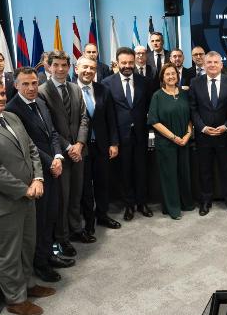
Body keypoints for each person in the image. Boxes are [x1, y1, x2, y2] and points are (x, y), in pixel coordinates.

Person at [0, 76, 54, 315]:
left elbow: (32, 149)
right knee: (8, 255)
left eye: (1, 93)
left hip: (27, 197)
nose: (0, 98)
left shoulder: (11, 117)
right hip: (1, 204)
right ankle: (16, 300)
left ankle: (27, 285)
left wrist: (38, 179)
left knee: (27, 247)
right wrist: (25, 189)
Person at [6, 67, 73, 283]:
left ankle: (48, 254)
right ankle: (40, 264)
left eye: (34, 83)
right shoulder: (12, 110)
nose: (31, 88)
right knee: (40, 220)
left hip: (54, 166)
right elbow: (28, 144)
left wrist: (58, 156)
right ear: (16, 85)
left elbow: (52, 133)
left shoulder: (41, 102)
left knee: (52, 214)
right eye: (25, 84)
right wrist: (50, 161)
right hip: (35, 174)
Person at [37, 50, 90, 257]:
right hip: (59, 154)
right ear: (48, 66)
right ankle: (62, 238)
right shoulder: (41, 91)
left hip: (79, 152)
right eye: (56, 65)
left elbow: (84, 118)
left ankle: (76, 229)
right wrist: (69, 147)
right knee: (62, 199)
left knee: (76, 194)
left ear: (69, 67)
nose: (60, 69)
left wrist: (80, 144)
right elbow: (48, 126)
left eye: (64, 65)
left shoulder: (75, 88)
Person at [103, 47, 153, 221]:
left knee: (142, 170)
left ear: (135, 62)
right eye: (123, 62)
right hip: (120, 137)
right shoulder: (107, 83)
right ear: (117, 63)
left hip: (141, 135)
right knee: (124, 172)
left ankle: (142, 203)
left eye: (130, 62)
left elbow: (149, 107)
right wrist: (113, 141)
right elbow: (108, 114)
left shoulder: (145, 82)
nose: (127, 66)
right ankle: (129, 205)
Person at [75, 56, 121, 233]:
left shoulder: (103, 90)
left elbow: (111, 118)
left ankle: (102, 215)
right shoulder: (70, 90)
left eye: (92, 68)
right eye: (85, 67)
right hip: (81, 148)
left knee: (103, 182)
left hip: (101, 145)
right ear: (76, 69)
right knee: (85, 186)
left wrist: (114, 143)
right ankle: (88, 220)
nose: (88, 71)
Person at [189, 51, 227, 215]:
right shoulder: (195, 82)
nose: (212, 65)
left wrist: (226, 126)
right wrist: (202, 127)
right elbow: (193, 109)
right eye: (209, 62)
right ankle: (205, 201)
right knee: (204, 170)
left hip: (224, 135)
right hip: (203, 136)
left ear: (221, 64)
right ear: (204, 65)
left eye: (215, 62)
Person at [147, 63, 194, 220]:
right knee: (170, 176)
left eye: (173, 73)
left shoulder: (184, 94)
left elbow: (190, 117)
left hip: (184, 141)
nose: (171, 76)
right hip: (166, 143)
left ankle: (186, 203)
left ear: (177, 75)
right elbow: (154, 121)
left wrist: (188, 135)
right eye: (167, 74)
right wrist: (174, 137)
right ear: (162, 77)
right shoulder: (157, 96)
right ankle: (173, 208)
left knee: (184, 173)